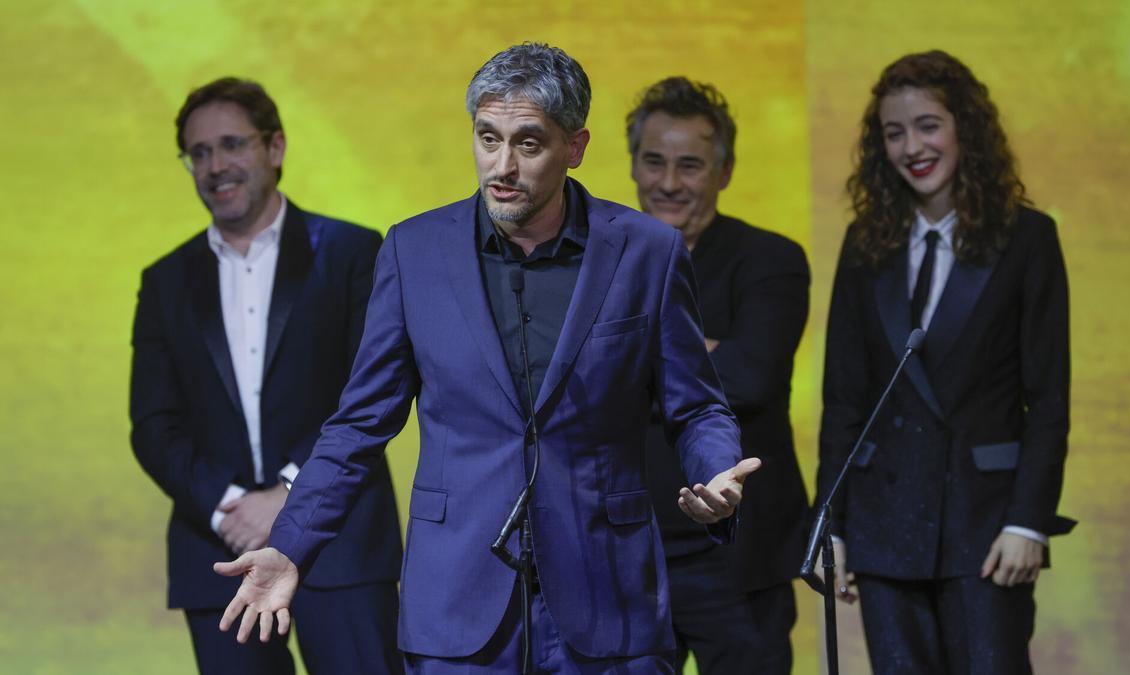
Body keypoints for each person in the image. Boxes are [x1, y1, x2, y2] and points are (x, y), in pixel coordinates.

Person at [212, 44, 761, 673]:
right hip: (458, 605)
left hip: (607, 596)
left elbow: (697, 406)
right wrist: (291, 546)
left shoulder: (647, 253)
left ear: (575, 148)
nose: (502, 165)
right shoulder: (413, 251)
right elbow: (361, 423)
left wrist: (716, 471)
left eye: (528, 144)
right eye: (487, 137)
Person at [130, 77, 404, 675]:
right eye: (198, 153)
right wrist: (232, 508)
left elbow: (373, 394)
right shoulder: (165, 282)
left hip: (343, 545)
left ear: (275, 147)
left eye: (231, 144)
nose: (214, 166)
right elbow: (153, 425)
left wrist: (287, 495)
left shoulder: (353, 253)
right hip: (219, 551)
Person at [816, 50, 1075, 674]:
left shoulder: (1026, 239)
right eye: (894, 132)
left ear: (965, 128)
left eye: (928, 125)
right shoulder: (866, 241)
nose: (912, 146)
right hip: (884, 524)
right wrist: (831, 523)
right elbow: (845, 398)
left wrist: (1029, 523)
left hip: (987, 527)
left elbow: (1049, 399)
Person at [627, 76, 810, 674]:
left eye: (690, 165)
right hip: (626, 550)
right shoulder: (597, 260)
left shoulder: (772, 260)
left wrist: (628, 354)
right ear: (633, 165)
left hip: (738, 560)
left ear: (724, 172)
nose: (670, 184)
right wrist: (703, 353)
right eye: (654, 162)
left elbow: (750, 378)